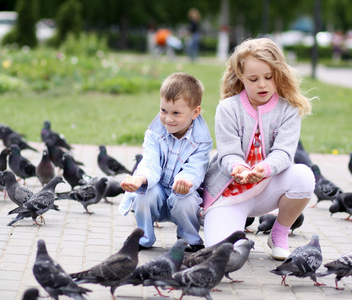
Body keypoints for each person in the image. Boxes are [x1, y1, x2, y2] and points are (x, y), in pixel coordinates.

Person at [201, 38, 315, 261]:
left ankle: (279, 234)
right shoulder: (227, 108)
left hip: (267, 187)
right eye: (253, 79)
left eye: (268, 77)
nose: (262, 84)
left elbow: (284, 153)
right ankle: (225, 225)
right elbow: (228, 152)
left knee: (304, 177)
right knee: (225, 256)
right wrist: (239, 168)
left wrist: (263, 169)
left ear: (278, 75)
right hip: (231, 192)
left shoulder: (288, 109)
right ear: (241, 78)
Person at [119, 72, 213, 252]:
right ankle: (144, 236)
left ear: (195, 112)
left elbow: (196, 167)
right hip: (158, 193)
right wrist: (140, 179)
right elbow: (150, 162)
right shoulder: (154, 134)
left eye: (176, 113)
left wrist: (186, 180)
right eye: (163, 111)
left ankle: (189, 237)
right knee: (143, 194)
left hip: (181, 193)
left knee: (187, 200)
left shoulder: (202, 141)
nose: (168, 119)